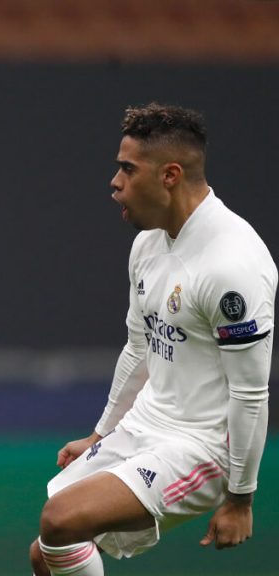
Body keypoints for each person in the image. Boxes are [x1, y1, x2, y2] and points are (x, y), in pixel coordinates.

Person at [29, 103, 275, 575]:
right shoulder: (148, 243)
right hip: (146, 425)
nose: (114, 182)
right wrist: (102, 433)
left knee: (60, 520)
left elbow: (250, 393)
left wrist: (241, 498)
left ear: (170, 175)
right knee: (46, 555)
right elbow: (140, 348)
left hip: (203, 447)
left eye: (127, 169)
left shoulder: (232, 267)